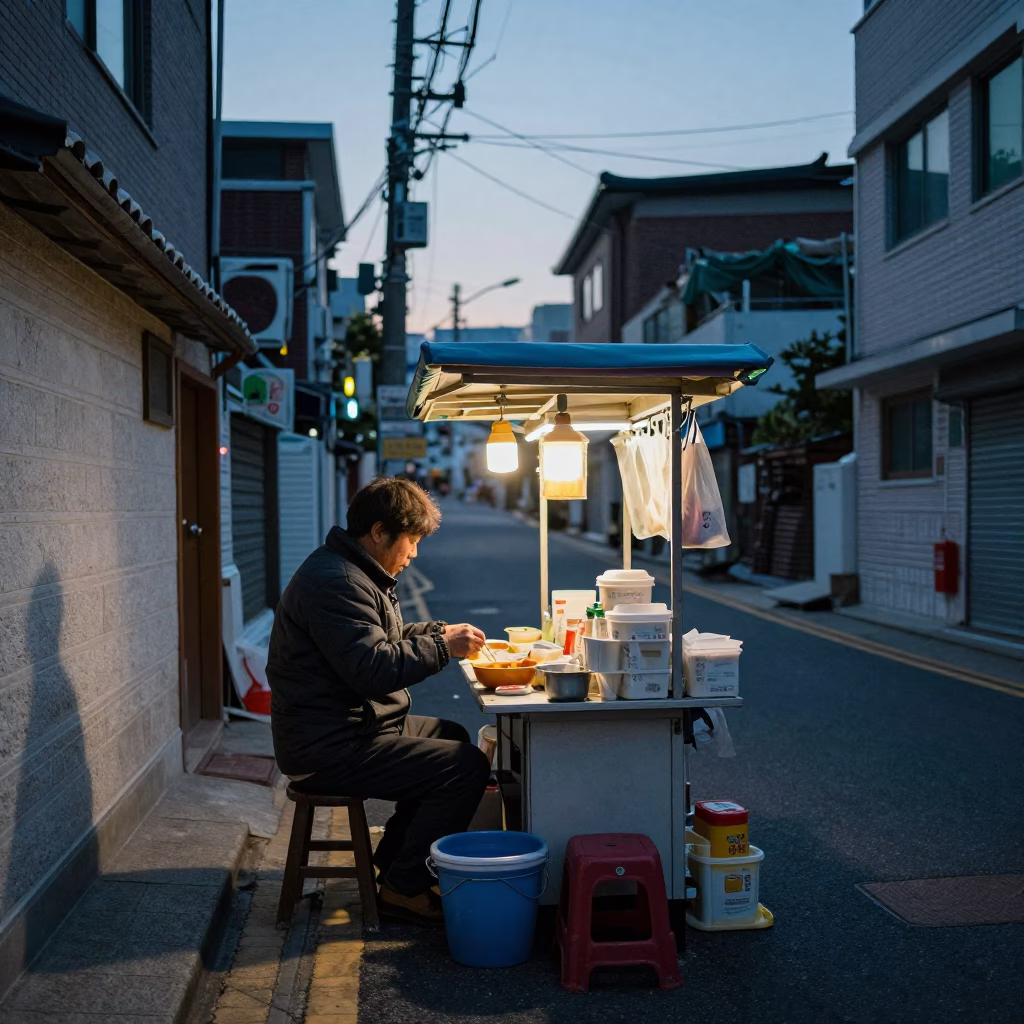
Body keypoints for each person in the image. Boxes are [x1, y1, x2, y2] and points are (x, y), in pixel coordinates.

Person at [266, 477, 488, 925]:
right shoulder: (336, 582)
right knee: (465, 767)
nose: (414, 554)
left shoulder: (355, 572)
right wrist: (443, 647)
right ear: (380, 531)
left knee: (451, 734)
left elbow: (380, 639)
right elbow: (372, 668)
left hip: (351, 726)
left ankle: (394, 864)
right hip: (329, 745)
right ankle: (403, 888)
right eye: (412, 540)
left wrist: (437, 633)